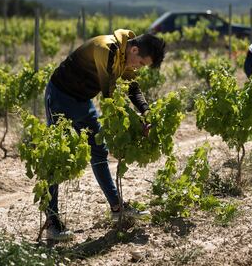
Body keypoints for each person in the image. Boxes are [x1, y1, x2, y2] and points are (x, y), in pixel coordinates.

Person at [44, 29, 165, 240]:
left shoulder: (127, 55)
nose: (138, 67)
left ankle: (117, 207)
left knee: (99, 151)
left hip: (83, 101)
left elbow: (133, 89)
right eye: (141, 63)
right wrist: (132, 122)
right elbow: (109, 96)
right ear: (134, 50)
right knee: (56, 158)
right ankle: (52, 222)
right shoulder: (106, 49)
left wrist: (146, 114)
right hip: (60, 98)